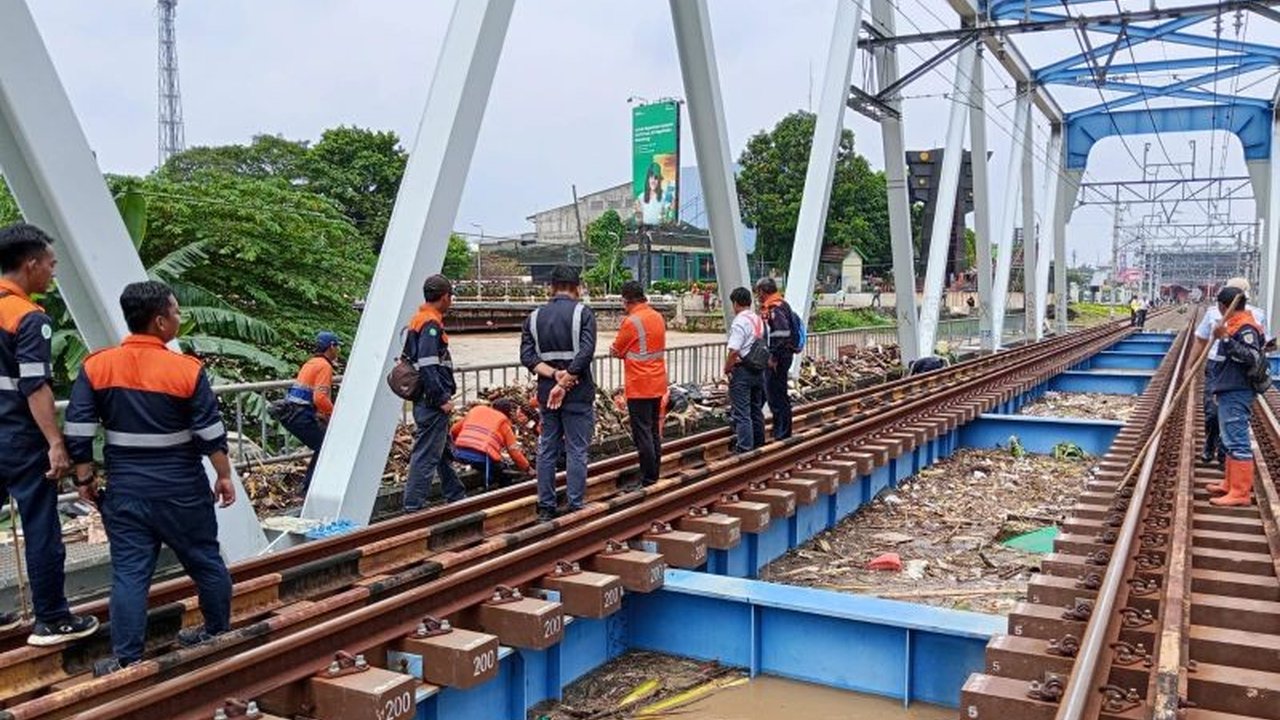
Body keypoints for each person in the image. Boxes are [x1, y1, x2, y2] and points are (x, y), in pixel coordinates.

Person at [64, 280, 232, 674]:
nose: (178, 317)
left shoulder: (98, 366)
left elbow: (79, 429)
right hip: (181, 490)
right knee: (205, 560)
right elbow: (210, 433)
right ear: (159, 321)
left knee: (129, 572)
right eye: (175, 312)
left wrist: (84, 478)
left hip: (126, 491)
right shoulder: (186, 371)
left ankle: (126, 657)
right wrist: (224, 476)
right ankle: (217, 631)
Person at [0, 224, 98, 646]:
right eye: (51, 264)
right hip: (18, 438)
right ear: (31, 263)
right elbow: (34, 386)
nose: (53, 274)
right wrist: (56, 443)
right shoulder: (28, 316)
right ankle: (52, 618)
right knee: (41, 525)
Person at [521, 265, 597, 521]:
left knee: (547, 449)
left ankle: (546, 505)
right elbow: (586, 353)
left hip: (547, 394)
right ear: (577, 287)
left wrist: (554, 376)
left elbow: (527, 357)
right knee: (576, 449)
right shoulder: (583, 314)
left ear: (551, 287)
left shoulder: (533, 317)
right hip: (577, 393)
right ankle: (575, 503)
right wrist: (564, 381)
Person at [403, 274, 464, 510]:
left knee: (441, 449)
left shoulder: (419, 319)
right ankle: (414, 507)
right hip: (431, 402)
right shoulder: (430, 323)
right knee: (427, 453)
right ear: (445, 297)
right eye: (451, 297)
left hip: (425, 400)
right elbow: (428, 365)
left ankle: (455, 493)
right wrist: (441, 399)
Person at [1192, 277, 1267, 465]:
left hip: (1237, 379)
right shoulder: (1215, 315)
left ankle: (1230, 472)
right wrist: (1190, 366)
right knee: (1214, 414)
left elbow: (1254, 352)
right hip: (1218, 369)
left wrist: (1225, 339)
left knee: (1233, 427)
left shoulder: (1251, 320)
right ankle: (1212, 447)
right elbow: (1201, 340)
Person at [1205, 286, 1267, 507]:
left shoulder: (1246, 327)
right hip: (1228, 387)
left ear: (1223, 306)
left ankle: (1240, 492)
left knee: (1237, 440)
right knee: (1229, 438)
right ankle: (1229, 484)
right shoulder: (1235, 324)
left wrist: (1226, 340)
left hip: (1237, 389)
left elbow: (1251, 357)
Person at [610, 281, 668, 490]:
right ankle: (654, 473)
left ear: (626, 300)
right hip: (657, 382)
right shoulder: (657, 316)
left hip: (639, 384)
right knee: (653, 431)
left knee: (642, 433)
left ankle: (648, 478)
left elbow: (617, 349)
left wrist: (617, 351)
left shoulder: (631, 321)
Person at [275, 331, 340, 492]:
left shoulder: (311, 363)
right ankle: (309, 487)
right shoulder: (324, 366)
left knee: (321, 446)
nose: (338, 351)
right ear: (331, 346)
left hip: (292, 412)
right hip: (300, 414)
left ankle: (309, 486)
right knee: (325, 447)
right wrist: (335, 415)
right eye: (337, 346)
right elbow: (320, 398)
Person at [450, 399, 531, 489]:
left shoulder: (477, 410)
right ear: (508, 413)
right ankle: (501, 492)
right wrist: (528, 468)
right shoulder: (504, 423)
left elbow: (453, 430)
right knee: (503, 473)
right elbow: (514, 452)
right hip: (482, 457)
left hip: (459, 453)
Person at [724, 286, 766, 453]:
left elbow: (734, 350)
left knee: (742, 412)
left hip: (742, 371)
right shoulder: (757, 319)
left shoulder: (740, 322)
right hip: (758, 369)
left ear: (735, 303)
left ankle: (744, 448)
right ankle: (759, 443)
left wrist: (727, 368)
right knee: (756, 409)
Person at [754, 277, 796, 441]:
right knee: (777, 394)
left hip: (778, 358)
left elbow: (781, 333)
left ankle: (782, 433)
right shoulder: (781, 303)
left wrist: (773, 356)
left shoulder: (774, 307)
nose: (757, 296)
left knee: (776, 396)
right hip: (783, 355)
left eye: (758, 292)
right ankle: (782, 430)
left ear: (762, 291)